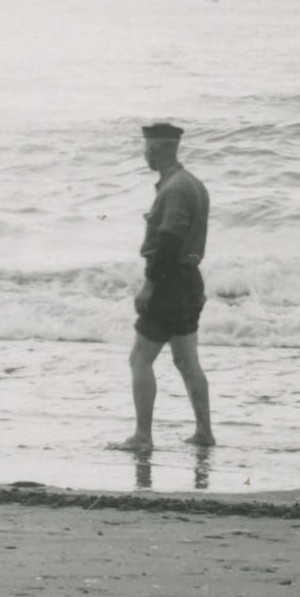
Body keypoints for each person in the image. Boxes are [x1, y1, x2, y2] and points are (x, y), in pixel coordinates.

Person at [115, 122, 214, 451]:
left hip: (169, 282)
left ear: (158, 149)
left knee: (139, 359)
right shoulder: (193, 184)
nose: (145, 154)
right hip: (189, 282)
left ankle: (143, 436)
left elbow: (167, 244)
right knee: (188, 361)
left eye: (147, 148)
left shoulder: (173, 189)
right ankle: (204, 432)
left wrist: (149, 287)